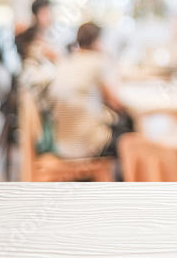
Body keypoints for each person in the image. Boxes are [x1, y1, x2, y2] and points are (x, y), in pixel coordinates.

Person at [50, 22, 133, 160]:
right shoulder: (98, 61)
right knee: (132, 135)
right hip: (89, 144)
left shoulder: (65, 62)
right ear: (96, 42)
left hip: (62, 144)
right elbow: (117, 102)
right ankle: (128, 180)